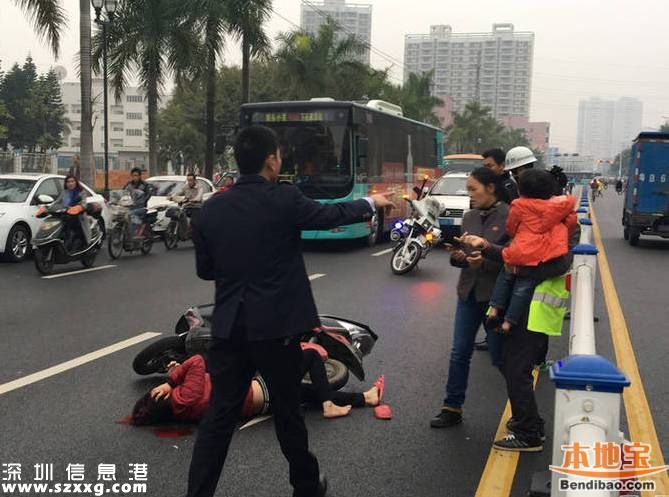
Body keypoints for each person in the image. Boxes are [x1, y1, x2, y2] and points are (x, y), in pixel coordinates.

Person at [186, 124, 395, 497]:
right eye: (279, 153)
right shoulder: (283, 198)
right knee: (287, 410)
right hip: (276, 328)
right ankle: (307, 486)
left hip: (231, 326)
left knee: (219, 418)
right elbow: (327, 216)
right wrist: (371, 203)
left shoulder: (212, 208)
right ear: (271, 159)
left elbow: (206, 270)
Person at [430, 167, 509, 429]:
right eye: (468, 190)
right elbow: (463, 255)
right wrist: (459, 257)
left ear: (491, 188)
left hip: (495, 297)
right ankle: (452, 406)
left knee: (501, 358)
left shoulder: (510, 217)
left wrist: (482, 263)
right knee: (459, 352)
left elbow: (511, 259)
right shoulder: (470, 216)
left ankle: (523, 414)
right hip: (468, 293)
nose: (470, 195)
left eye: (473, 189)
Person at [129, 354, 384, 426]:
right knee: (310, 358)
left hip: (259, 395)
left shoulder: (181, 405)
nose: (155, 390)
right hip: (262, 391)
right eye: (153, 394)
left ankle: (365, 397)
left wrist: (175, 376)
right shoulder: (184, 397)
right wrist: (171, 380)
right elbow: (196, 361)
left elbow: (199, 376)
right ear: (160, 398)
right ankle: (330, 406)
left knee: (305, 394)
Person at [486, 169, 577, 334]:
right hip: (542, 255)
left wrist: (518, 234)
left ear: (520, 190)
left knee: (505, 276)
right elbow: (570, 224)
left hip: (520, 250)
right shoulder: (561, 207)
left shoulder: (519, 205)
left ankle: (494, 310)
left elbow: (511, 227)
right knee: (523, 288)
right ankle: (508, 323)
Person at [54, 175, 91, 250]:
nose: (70, 183)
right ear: (66, 183)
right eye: (68, 182)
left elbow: (84, 204)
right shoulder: (64, 192)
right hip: (65, 214)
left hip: (78, 216)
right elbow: (57, 202)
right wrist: (48, 207)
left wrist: (77, 208)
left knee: (72, 227)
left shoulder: (81, 192)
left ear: (76, 182)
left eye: (72, 181)